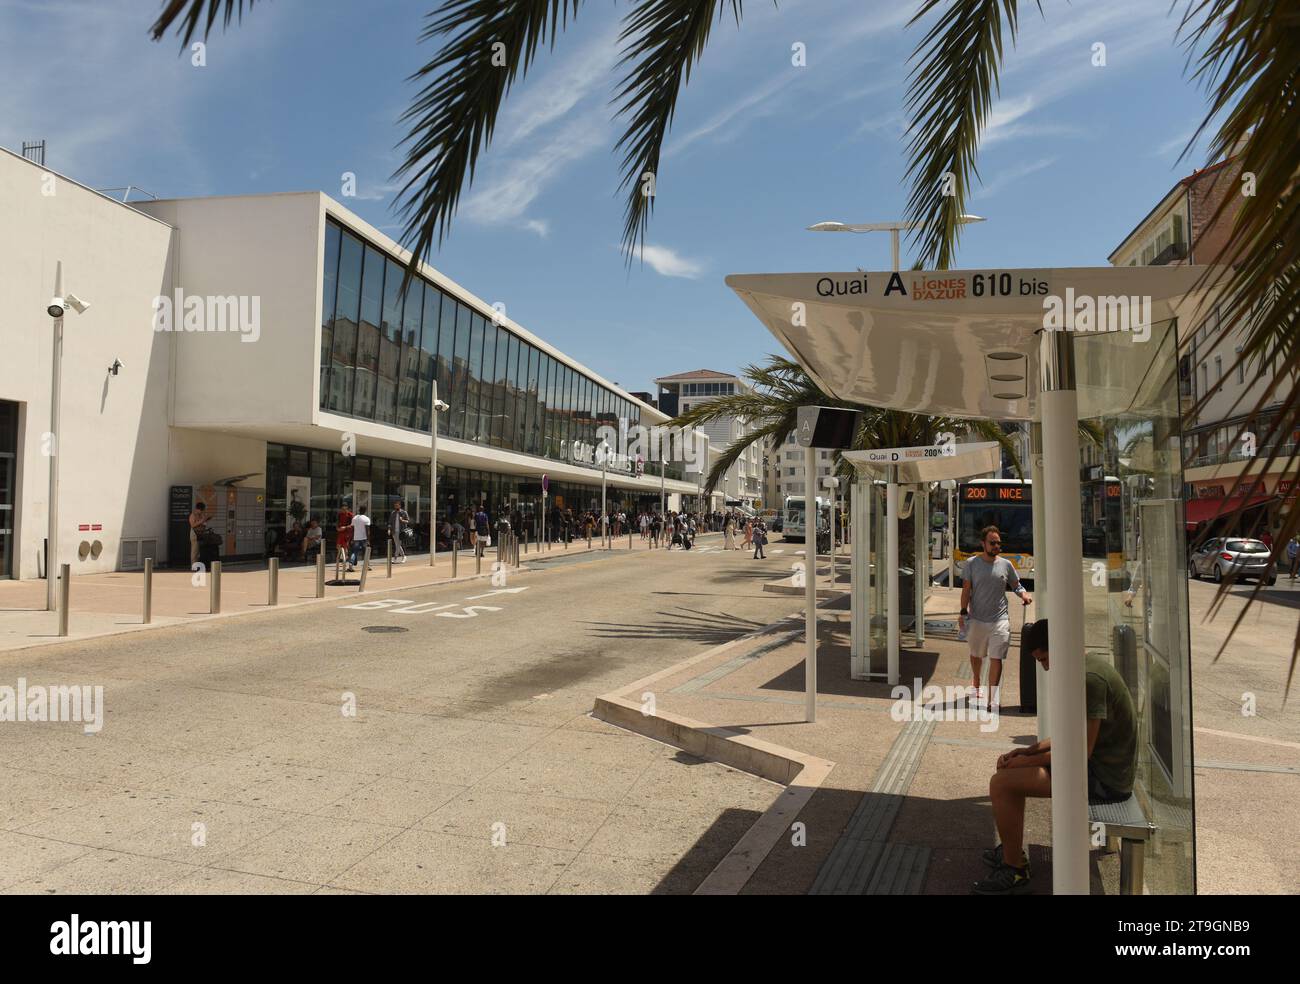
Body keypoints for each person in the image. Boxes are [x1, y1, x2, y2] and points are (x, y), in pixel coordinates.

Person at [971, 618, 1137, 895]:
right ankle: (1012, 852)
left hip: (1107, 781)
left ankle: (1015, 870)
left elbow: (1080, 752)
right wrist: (1029, 751)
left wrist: (1027, 761)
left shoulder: (1089, 680)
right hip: (1099, 768)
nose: (1045, 667)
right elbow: (1072, 737)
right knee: (1007, 775)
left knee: (1002, 783)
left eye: (1045, 658)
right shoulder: (1087, 668)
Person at [959, 525, 1031, 713]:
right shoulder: (972, 564)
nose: (996, 545)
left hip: (1000, 619)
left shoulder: (1006, 565)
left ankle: (993, 699)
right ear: (983, 544)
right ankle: (976, 683)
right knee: (976, 655)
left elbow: (1016, 585)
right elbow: (966, 590)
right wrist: (962, 612)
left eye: (998, 542)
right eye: (992, 543)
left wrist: (1023, 595)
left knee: (996, 657)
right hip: (977, 619)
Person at [188, 501, 208, 567]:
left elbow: (203, 523)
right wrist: (201, 521)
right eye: (202, 510)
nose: (202, 512)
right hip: (195, 534)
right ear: (198, 509)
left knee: (198, 551)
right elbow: (192, 525)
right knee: (194, 551)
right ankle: (193, 566)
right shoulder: (193, 515)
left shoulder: (201, 515)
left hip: (200, 533)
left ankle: (197, 565)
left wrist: (204, 521)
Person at [390, 500, 410, 564]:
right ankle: (404, 556)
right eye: (395, 505)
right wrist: (389, 529)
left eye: (397, 505)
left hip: (401, 531)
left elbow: (408, 521)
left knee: (398, 545)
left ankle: (395, 558)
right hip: (394, 531)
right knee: (397, 545)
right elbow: (390, 522)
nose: (396, 506)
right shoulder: (393, 513)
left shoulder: (404, 512)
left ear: (400, 506)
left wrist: (402, 520)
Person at [336, 498, 354, 569]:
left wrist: (345, 527)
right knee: (338, 546)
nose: (343, 510)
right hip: (340, 532)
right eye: (342, 509)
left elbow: (352, 525)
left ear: (347, 508)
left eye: (345, 509)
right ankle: (341, 557)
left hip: (347, 532)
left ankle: (344, 560)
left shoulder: (350, 515)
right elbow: (337, 523)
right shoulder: (339, 514)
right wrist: (338, 528)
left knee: (345, 546)